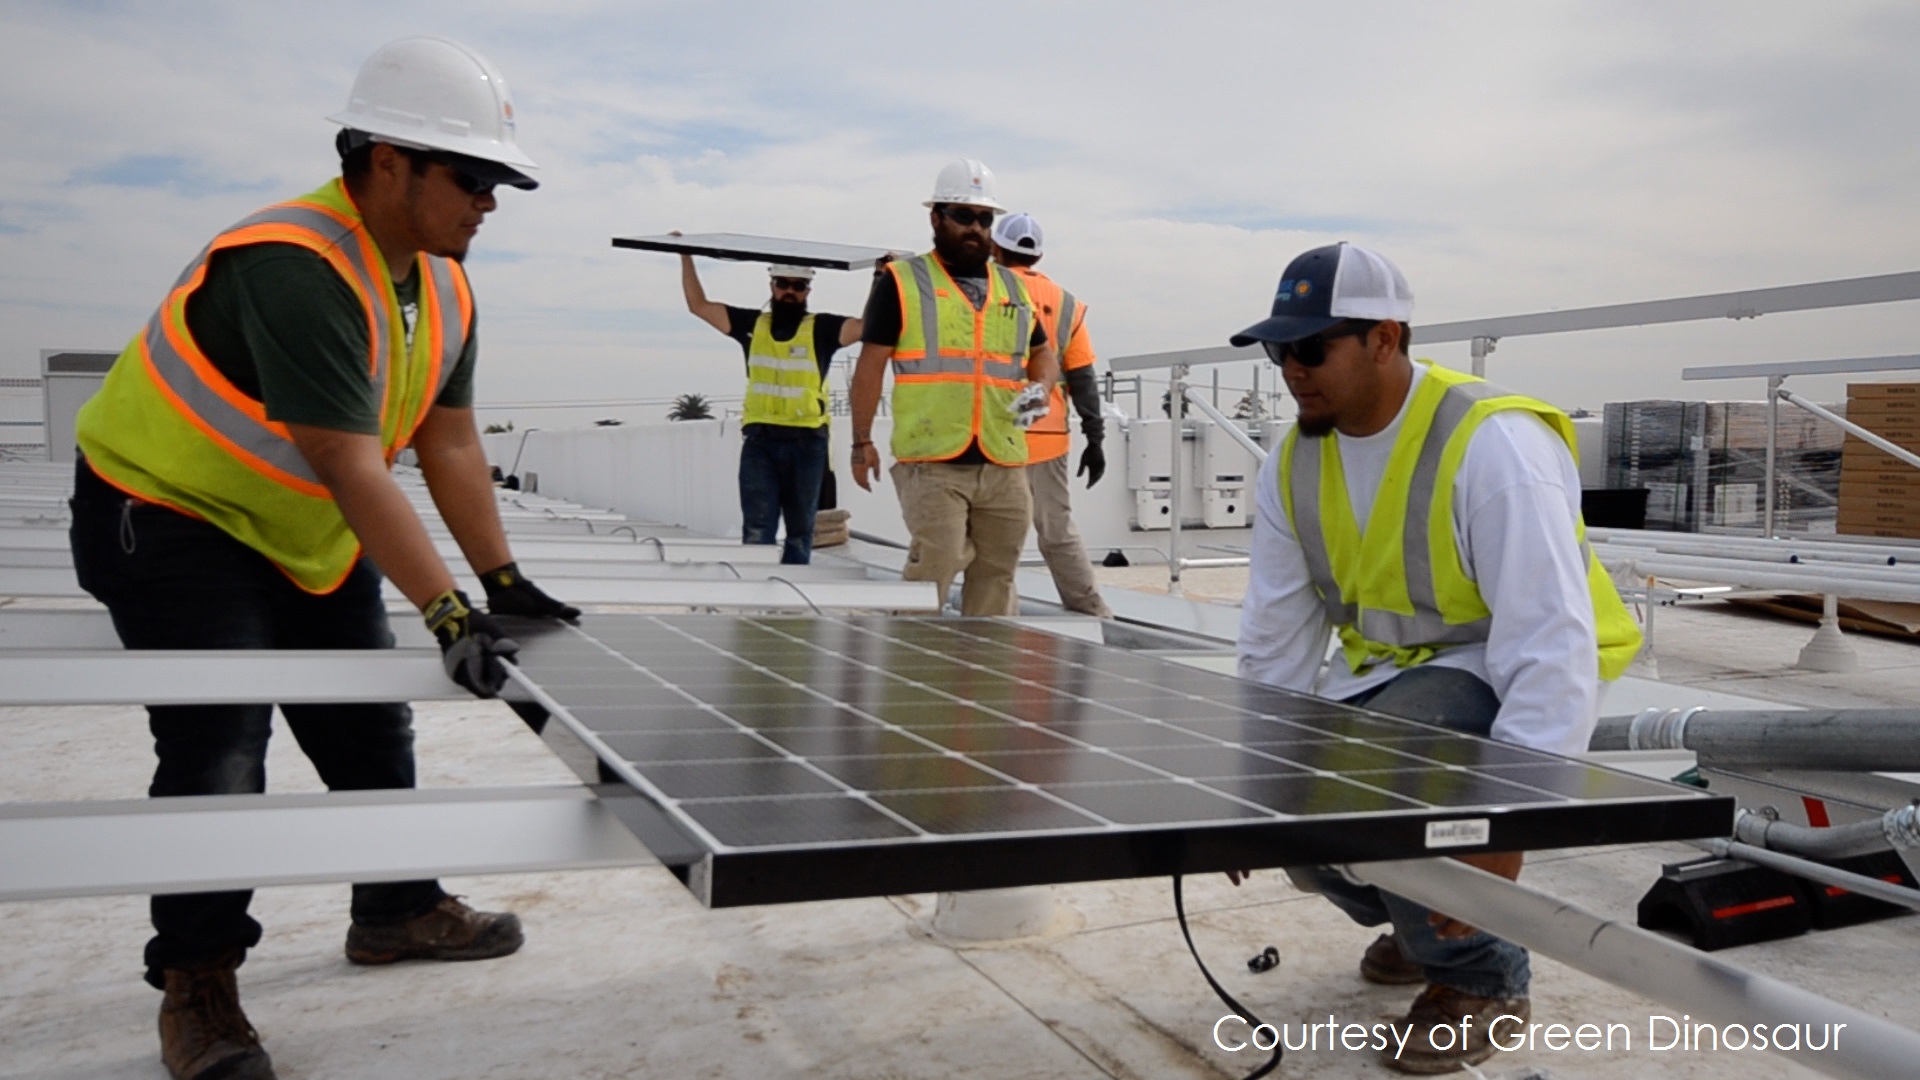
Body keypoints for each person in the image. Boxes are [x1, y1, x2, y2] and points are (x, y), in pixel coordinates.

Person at [67, 38, 579, 1080]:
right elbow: (351, 459)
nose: (491, 203)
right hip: (168, 513)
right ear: (388, 161)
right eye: (473, 178)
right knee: (221, 745)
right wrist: (444, 613)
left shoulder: (444, 285)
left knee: (364, 724)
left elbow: (446, 441)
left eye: (500, 182)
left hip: (298, 524)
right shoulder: (293, 263)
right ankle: (198, 981)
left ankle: (394, 909)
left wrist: (502, 584)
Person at [1228, 242, 1640, 1074]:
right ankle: (1420, 922)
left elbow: (1548, 640)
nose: (1291, 371)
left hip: (1493, 668)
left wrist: (1508, 825)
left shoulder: (1494, 446)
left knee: (1387, 770)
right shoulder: (1296, 460)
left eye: (1311, 348)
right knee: (1296, 812)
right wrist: (1245, 786)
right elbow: (1274, 635)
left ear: (1385, 339)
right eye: (1280, 352)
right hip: (1387, 673)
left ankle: (1484, 977)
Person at [848, 159, 1060, 615]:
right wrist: (861, 440)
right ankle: (913, 671)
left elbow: (1043, 352)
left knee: (998, 573)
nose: (976, 229)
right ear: (936, 219)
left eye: (985, 219)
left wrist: (1041, 386)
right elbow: (870, 366)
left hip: (1002, 459)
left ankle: (985, 676)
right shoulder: (902, 282)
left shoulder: (1013, 288)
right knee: (936, 563)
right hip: (934, 460)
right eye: (964, 217)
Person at [676, 252, 862, 563]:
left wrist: (882, 279)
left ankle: (790, 603)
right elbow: (699, 306)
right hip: (761, 442)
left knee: (802, 531)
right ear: (772, 285)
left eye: (798, 286)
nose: (790, 291)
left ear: (808, 291)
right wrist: (686, 257)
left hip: (808, 443)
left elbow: (864, 326)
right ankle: (758, 596)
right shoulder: (751, 325)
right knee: (757, 529)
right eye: (783, 283)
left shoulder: (821, 329)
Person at [990, 212, 1113, 618]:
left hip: (992, 433)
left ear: (995, 247)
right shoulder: (1066, 304)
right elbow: (1083, 378)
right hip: (1048, 438)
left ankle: (996, 617)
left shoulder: (982, 288)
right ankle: (1092, 611)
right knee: (1057, 530)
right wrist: (1095, 440)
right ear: (1038, 256)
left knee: (994, 535)